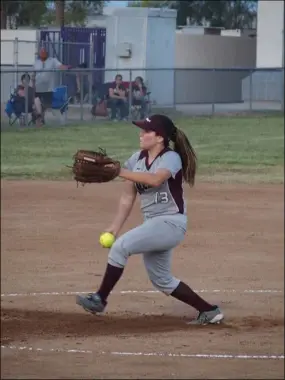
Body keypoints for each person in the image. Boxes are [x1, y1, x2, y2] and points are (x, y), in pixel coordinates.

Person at [76, 114, 224, 325]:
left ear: (160, 137)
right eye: (142, 130)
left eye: (147, 131)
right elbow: (128, 197)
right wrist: (114, 227)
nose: (141, 134)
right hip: (154, 225)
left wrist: (121, 171)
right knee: (162, 280)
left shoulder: (170, 158)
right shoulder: (136, 160)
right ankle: (209, 311)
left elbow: (155, 180)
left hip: (171, 223)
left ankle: (100, 298)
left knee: (120, 248)